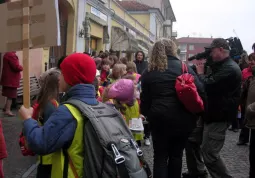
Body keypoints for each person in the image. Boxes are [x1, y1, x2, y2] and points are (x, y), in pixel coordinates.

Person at [18, 53, 97, 178]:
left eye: (62, 73)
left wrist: (27, 119)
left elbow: (40, 143)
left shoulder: (68, 111)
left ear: (72, 76)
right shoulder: (96, 104)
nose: (59, 77)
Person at [140, 38, 205, 178]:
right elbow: (200, 89)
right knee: (176, 155)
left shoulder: (149, 71)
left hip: (158, 119)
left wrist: (147, 114)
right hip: (182, 118)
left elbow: (145, 99)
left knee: (160, 156)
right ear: (173, 49)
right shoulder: (183, 67)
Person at [195, 38, 242, 178]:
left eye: (213, 51)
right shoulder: (224, 65)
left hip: (219, 115)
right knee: (202, 147)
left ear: (221, 50)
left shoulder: (229, 68)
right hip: (213, 113)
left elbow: (207, 85)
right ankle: (198, 171)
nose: (210, 55)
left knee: (210, 153)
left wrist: (200, 72)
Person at [237, 53, 255, 145]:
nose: (251, 62)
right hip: (246, 99)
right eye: (250, 60)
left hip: (252, 105)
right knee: (245, 120)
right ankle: (243, 138)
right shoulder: (244, 71)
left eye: (253, 60)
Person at [0, 52, 23, 116]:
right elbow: (16, 67)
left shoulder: (7, 54)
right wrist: (22, 67)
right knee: (10, 96)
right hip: (11, 80)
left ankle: (5, 108)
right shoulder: (11, 55)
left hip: (8, 79)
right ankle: (8, 110)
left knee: (9, 95)